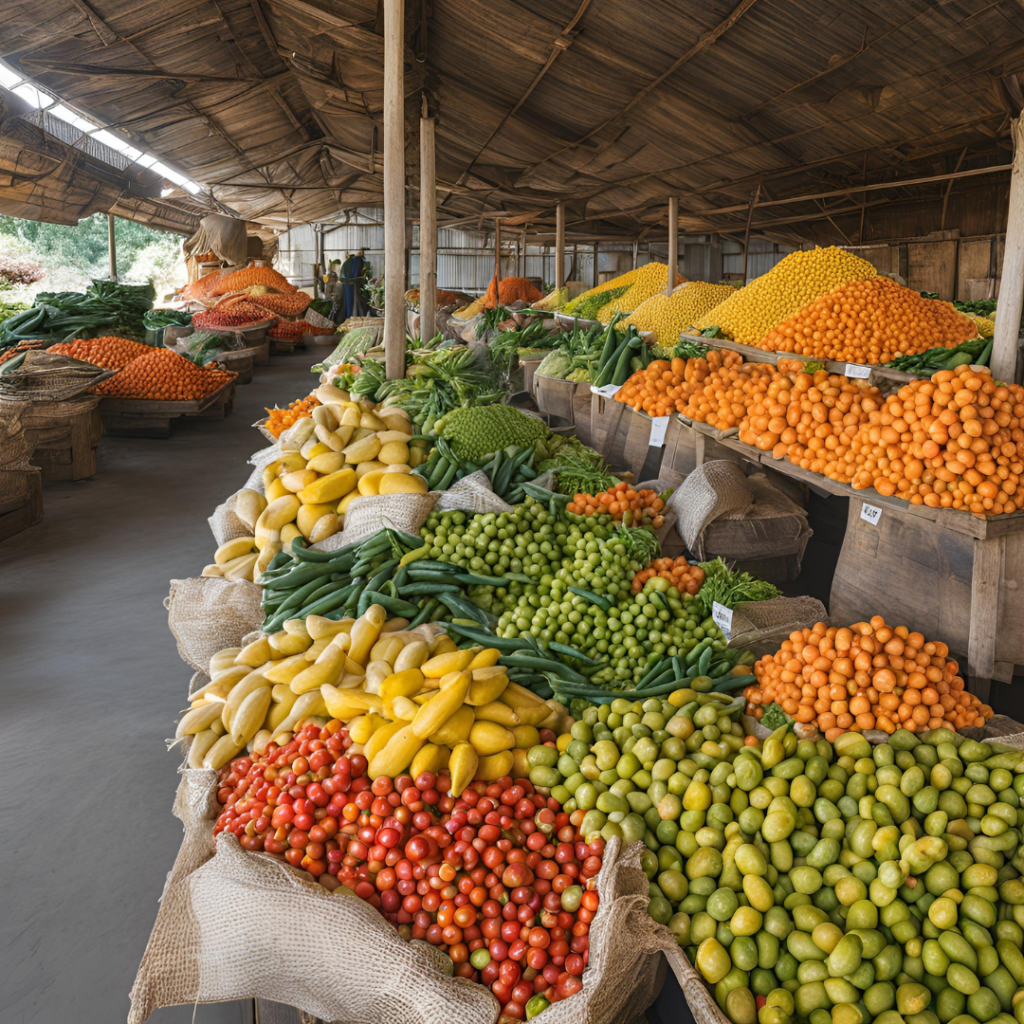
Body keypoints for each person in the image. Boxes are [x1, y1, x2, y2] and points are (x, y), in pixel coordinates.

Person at [341, 248, 370, 318]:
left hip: (347, 285)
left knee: (348, 304)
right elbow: (358, 275)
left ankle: (349, 318)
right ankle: (354, 318)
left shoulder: (347, 262)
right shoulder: (359, 261)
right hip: (354, 285)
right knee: (354, 304)